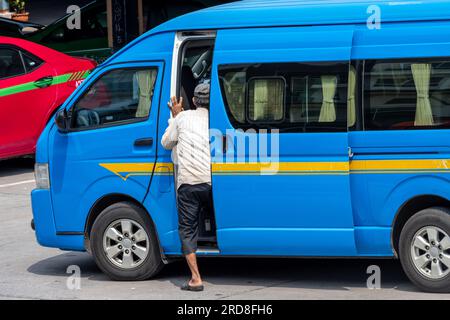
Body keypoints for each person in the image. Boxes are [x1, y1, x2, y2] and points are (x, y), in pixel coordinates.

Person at [161, 83, 212, 292]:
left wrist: (175, 116)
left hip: (188, 183)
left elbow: (166, 142)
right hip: (213, 182)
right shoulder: (216, 118)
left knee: (188, 230)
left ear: (193, 100)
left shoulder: (182, 118)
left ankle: (196, 278)